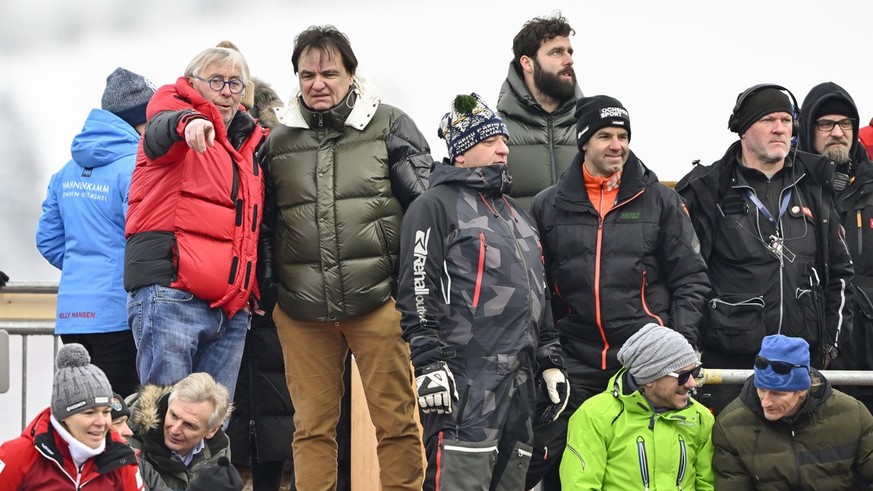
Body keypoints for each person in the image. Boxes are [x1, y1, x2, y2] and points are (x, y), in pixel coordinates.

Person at [261, 25, 431, 490]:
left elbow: (426, 209)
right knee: (311, 430)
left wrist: (409, 293)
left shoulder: (391, 125)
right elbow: (265, 225)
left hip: (379, 303)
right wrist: (272, 292)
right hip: (300, 311)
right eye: (307, 74)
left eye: (329, 73)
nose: (318, 83)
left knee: (396, 424)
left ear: (351, 75)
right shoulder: (276, 142)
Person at [527, 94, 710, 489]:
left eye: (623, 135)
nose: (617, 145)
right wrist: (550, 351)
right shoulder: (548, 205)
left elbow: (691, 279)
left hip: (643, 361)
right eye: (605, 135)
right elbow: (536, 288)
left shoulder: (660, 200)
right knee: (562, 461)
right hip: (575, 356)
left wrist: (679, 347)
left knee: (641, 461)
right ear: (583, 142)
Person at [395, 93, 567, 490]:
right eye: (490, 142)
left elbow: (538, 295)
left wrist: (550, 360)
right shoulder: (434, 205)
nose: (504, 149)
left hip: (520, 385)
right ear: (461, 151)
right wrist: (428, 362)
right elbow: (416, 287)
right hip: (465, 381)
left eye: (504, 141)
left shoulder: (518, 216)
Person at [676, 84, 854, 414]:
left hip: (801, 365)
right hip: (730, 368)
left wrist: (832, 344)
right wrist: (688, 347)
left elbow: (841, 277)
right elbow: (687, 276)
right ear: (743, 129)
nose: (780, 128)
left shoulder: (816, 185)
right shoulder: (705, 189)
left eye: (786, 120)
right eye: (769, 119)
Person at [124, 46, 268, 396]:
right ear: (192, 83)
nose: (226, 91)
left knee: (212, 433)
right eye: (216, 80)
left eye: (235, 83)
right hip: (173, 297)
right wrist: (189, 122)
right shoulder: (174, 119)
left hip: (230, 309)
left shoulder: (249, 144)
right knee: (164, 426)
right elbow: (162, 128)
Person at [36, 67, 155, 398]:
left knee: (80, 411)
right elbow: (144, 237)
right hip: (117, 313)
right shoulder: (136, 167)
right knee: (117, 416)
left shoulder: (66, 171)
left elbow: (47, 240)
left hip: (72, 315)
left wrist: (81, 265)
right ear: (137, 121)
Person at [224, 74, 296, 491]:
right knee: (262, 408)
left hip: (258, 295)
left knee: (265, 408)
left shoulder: (269, 150)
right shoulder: (274, 149)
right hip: (257, 295)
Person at [560, 323, 714, 489]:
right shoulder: (595, 415)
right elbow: (580, 485)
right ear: (648, 378)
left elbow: (707, 485)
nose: (691, 383)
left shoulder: (701, 418)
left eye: (695, 372)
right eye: (683, 376)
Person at [712, 334, 873, 489]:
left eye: (778, 393)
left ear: (802, 390)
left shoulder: (853, 416)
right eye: (761, 389)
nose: (766, 402)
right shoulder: (731, 426)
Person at [799, 82, 873, 411]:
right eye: (826, 123)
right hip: (813, 343)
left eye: (845, 124)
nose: (837, 132)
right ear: (808, 129)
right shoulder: (791, 187)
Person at [0, 343, 144, 490]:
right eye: (89, 413)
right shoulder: (17, 456)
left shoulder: (121, 459)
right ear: (63, 416)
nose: (101, 422)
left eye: (106, 412)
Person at [497, 12, 582, 211]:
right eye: (557, 52)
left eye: (569, 52)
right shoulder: (495, 133)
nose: (569, 60)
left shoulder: (591, 127)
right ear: (527, 63)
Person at [126, 372, 236, 490]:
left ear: (212, 430)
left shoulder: (218, 450)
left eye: (189, 425)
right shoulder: (128, 435)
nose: (175, 429)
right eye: (174, 416)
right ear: (168, 404)